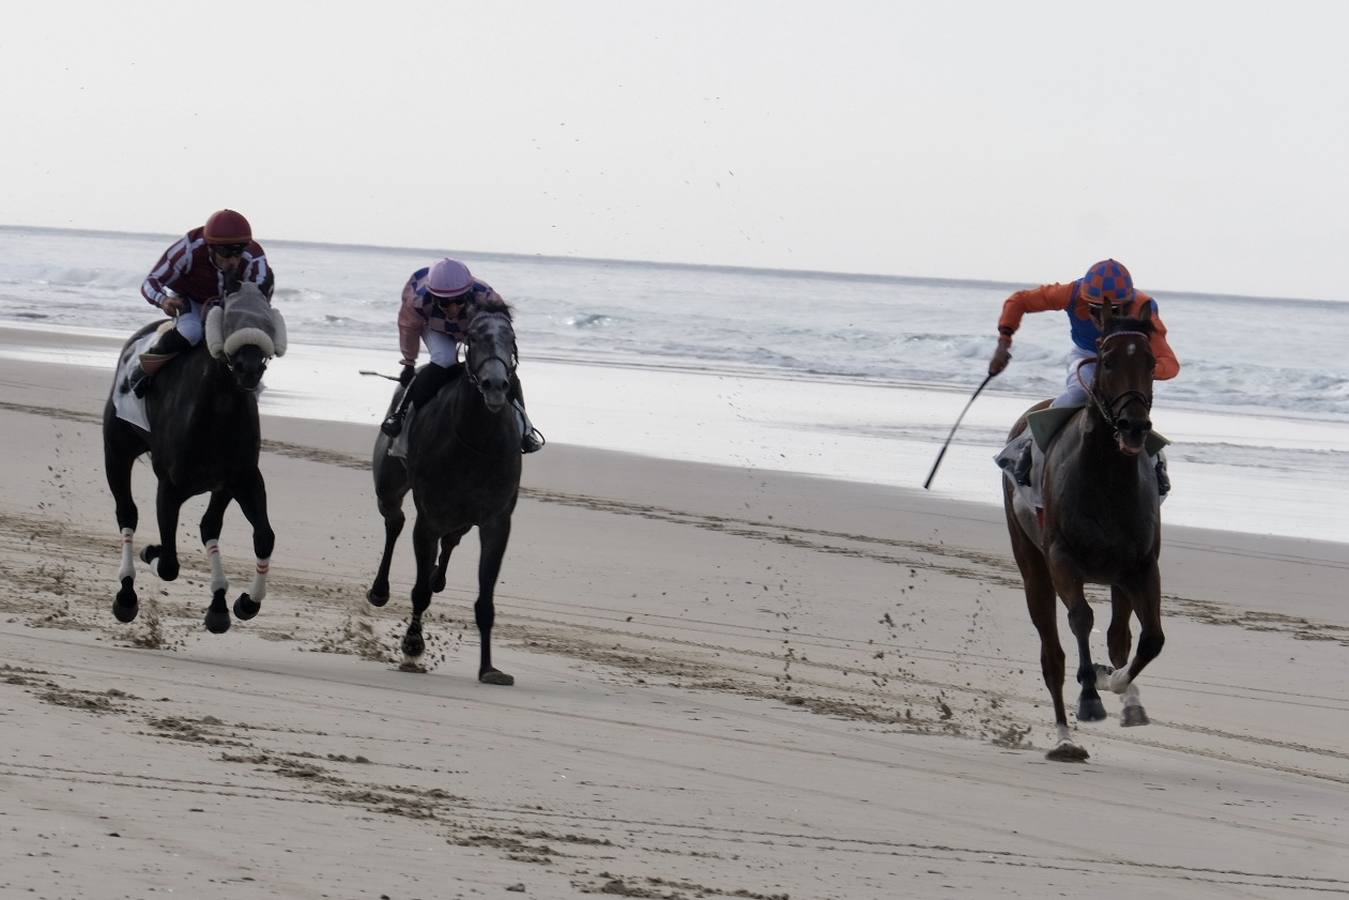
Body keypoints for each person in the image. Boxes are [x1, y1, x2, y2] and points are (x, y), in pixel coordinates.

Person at [988, 259, 1178, 494]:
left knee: (1134, 406)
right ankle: (1027, 445)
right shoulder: (1069, 293)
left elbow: (1170, 363)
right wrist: (1004, 340)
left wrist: (1143, 370)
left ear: (1127, 303)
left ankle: (1155, 462)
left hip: (1125, 362)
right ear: (1084, 299)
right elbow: (1020, 300)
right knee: (1079, 393)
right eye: (1094, 309)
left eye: (1113, 310)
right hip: (1087, 355)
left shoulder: (1143, 306)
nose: (1101, 318)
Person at [379, 257, 543, 453]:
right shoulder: (417, 301)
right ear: (433, 296)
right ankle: (400, 415)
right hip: (435, 327)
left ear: (468, 293)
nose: (453, 308)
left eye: (458, 301)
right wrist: (408, 362)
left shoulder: (486, 297)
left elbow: (500, 333)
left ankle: (525, 430)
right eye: (444, 303)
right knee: (444, 359)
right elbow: (408, 329)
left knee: (500, 373)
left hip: (472, 328)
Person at [125, 209, 275, 397]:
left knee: (250, 342)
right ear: (210, 247)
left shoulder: (254, 257)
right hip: (194, 302)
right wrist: (164, 300)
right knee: (191, 332)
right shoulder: (188, 249)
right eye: (227, 254)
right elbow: (150, 282)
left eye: (238, 253)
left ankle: (250, 388)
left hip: (235, 305)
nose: (234, 261)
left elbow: (259, 298)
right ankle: (145, 368)